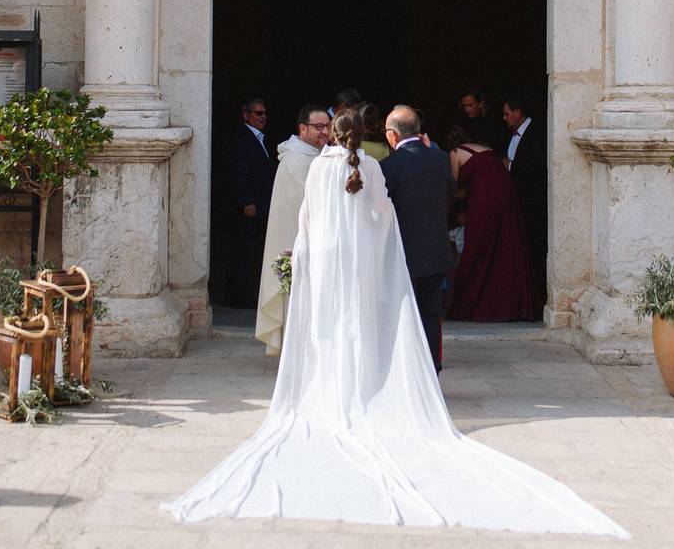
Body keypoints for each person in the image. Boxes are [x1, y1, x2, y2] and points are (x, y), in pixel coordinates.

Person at [161, 109, 628, 539]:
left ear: (333, 133)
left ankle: (331, 387)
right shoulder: (373, 167)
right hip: (362, 267)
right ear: (365, 134)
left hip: (328, 266)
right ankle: (366, 387)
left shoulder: (320, 168)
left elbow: (306, 223)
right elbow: (383, 219)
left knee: (329, 329)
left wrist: (305, 262)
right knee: (363, 328)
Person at [380, 105, 454, 373]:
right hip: (435, 252)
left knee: (400, 316)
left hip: (403, 254)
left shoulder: (388, 166)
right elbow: (450, 197)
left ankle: (405, 371)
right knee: (430, 314)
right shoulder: (440, 158)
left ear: (393, 135)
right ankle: (432, 366)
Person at [254, 105, 331, 355]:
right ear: (302, 128)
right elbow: (308, 206)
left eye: (328, 126)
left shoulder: (315, 155)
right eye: (319, 127)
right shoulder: (298, 159)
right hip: (297, 242)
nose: (325, 132)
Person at [446, 127, 536, 321]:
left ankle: (479, 302)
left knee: (478, 245)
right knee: (506, 244)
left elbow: (453, 189)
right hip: (506, 193)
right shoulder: (483, 148)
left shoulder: (455, 153)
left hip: (485, 198)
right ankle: (512, 304)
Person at [228, 97, 277, 308]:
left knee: (251, 250)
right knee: (244, 250)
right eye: (258, 113)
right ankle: (239, 295)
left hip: (260, 204)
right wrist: (247, 200)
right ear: (246, 115)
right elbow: (240, 172)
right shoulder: (242, 137)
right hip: (249, 207)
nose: (263, 117)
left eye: (264, 113)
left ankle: (244, 292)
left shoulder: (259, 137)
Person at [503, 95, 546, 320]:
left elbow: (539, 164)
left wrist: (512, 166)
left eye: (507, 113)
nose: (504, 118)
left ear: (518, 112)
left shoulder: (536, 132)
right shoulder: (513, 134)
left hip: (532, 205)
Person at [454, 88, 506, 155]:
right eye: (464, 106)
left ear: (480, 104)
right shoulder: (462, 124)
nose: (467, 109)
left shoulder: (493, 122)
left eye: (470, 105)